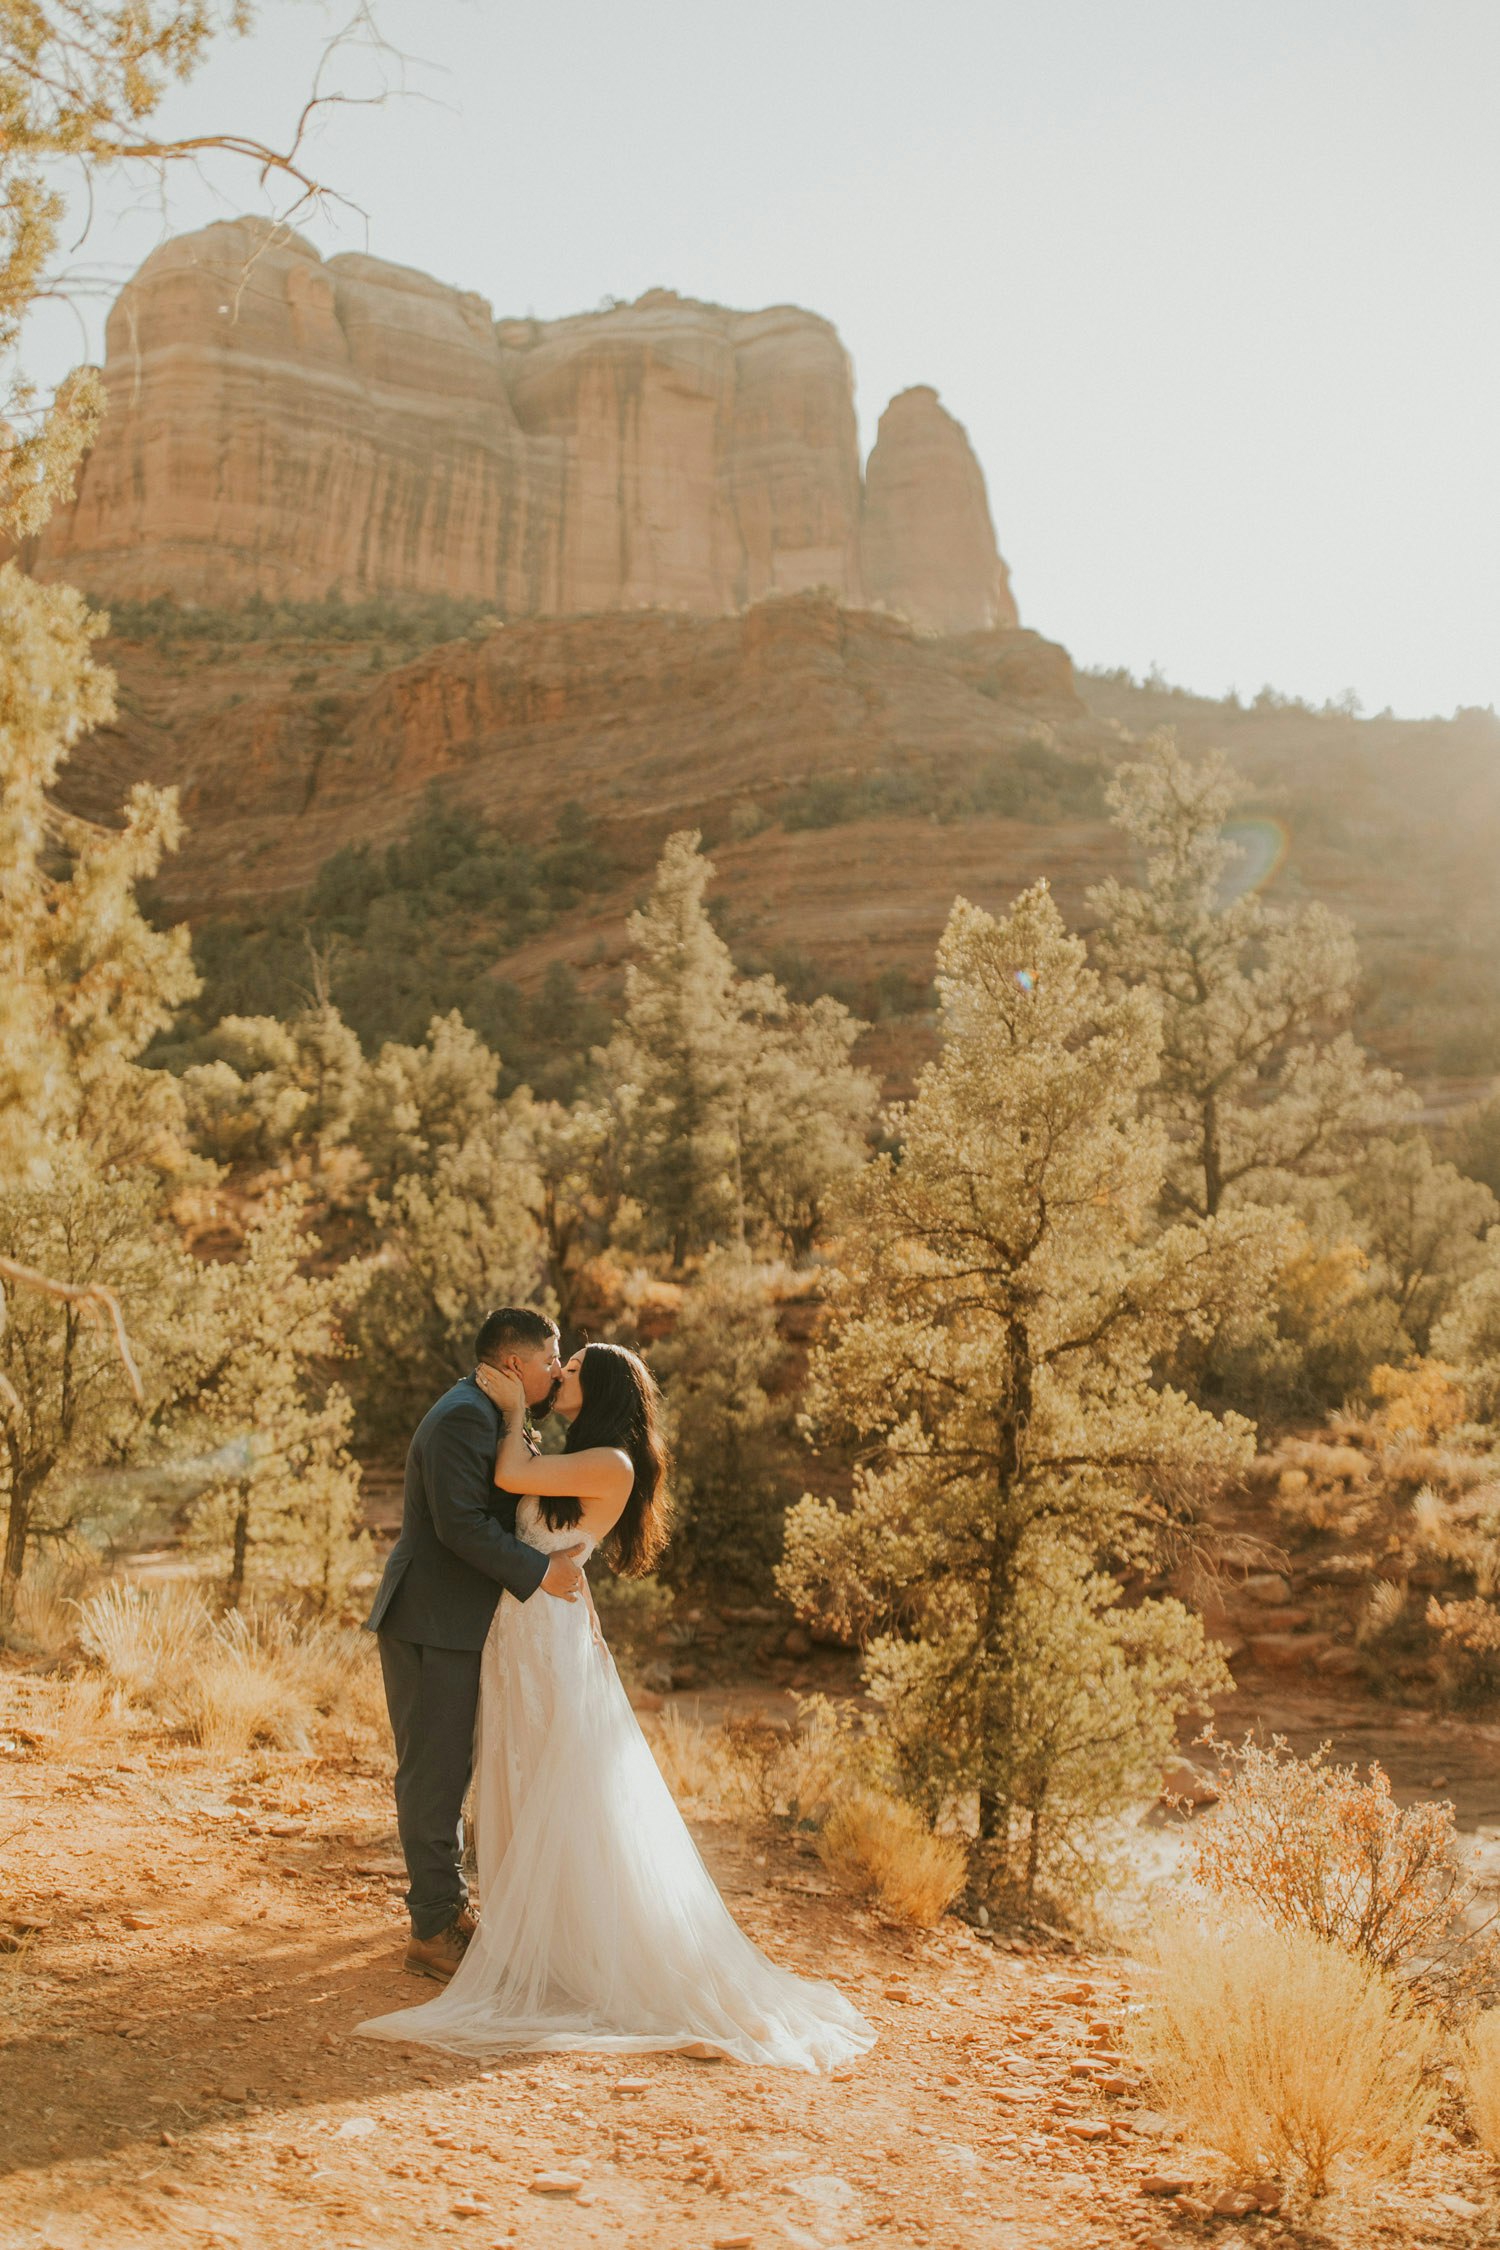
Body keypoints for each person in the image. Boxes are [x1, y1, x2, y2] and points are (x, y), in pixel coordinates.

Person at [357, 1340, 874, 2071]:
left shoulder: (613, 1462)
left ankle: (566, 1944)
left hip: (540, 1632)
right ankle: (531, 1931)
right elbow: (549, 1528)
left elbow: (511, 1476)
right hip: (527, 1626)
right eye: (553, 1365)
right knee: (523, 1773)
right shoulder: (588, 1455)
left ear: (594, 1389)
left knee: (555, 1781)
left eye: (568, 1371)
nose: (556, 1374)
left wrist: (509, 1409)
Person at [364, 1307, 586, 1982]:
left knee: (448, 1769)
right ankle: (432, 1928)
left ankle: (447, 1909)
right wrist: (542, 1573)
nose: (556, 1370)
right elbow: (459, 1525)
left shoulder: (490, 1414)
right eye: (550, 1360)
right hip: (431, 1621)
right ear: (515, 1364)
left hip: (454, 1621)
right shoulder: (465, 1415)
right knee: (433, 1774)